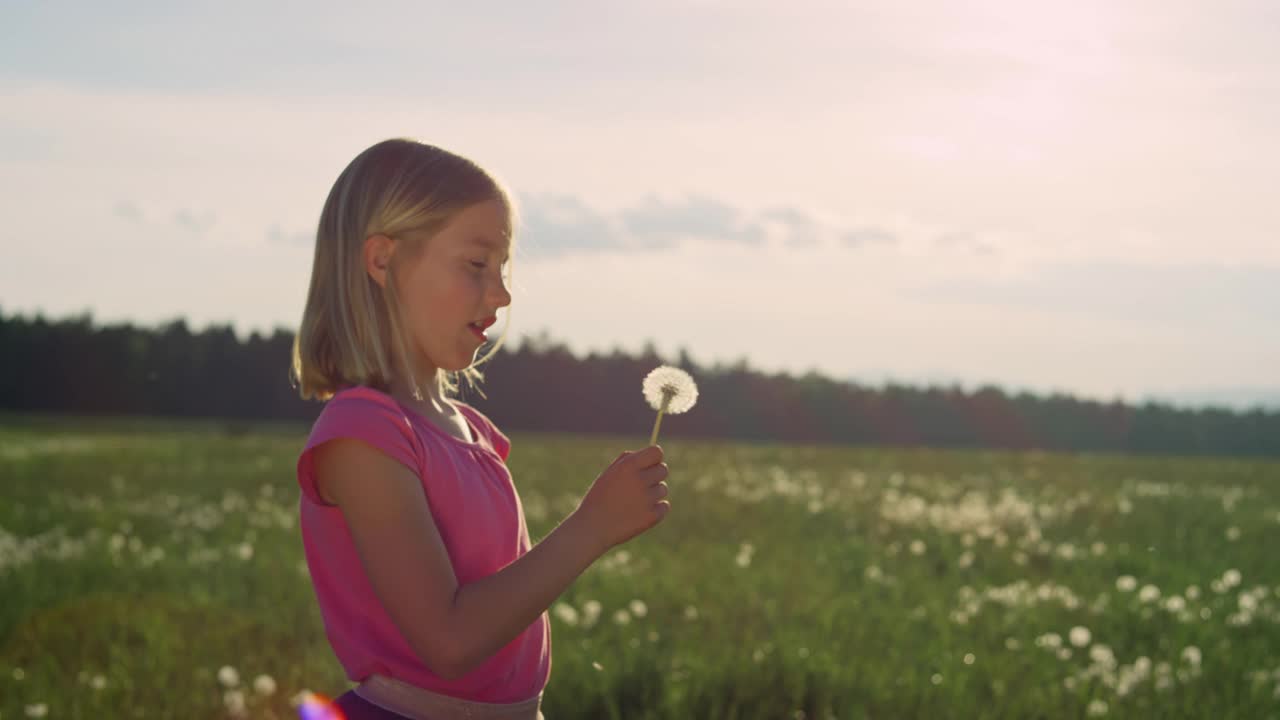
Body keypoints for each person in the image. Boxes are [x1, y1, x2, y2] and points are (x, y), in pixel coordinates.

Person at [290, 138, 672, 719]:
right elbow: (449, 641)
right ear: (383, 260)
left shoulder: (471, 431)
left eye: (503, 269)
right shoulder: (363, 435)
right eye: (476, 265)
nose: (501, 294)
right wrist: (593, 527)